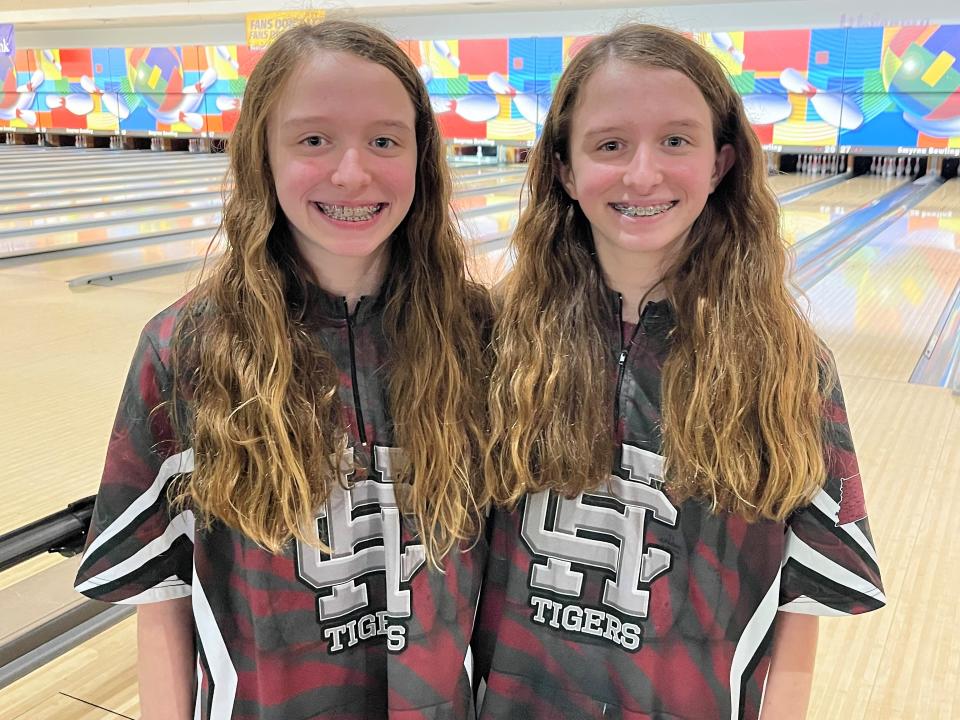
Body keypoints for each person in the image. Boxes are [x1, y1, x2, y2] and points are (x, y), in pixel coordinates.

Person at [74, 20, 491, 720]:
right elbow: (163, 602)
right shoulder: (187, 351)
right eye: (313, 139)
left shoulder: (480, 338)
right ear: (262, 155)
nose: (352, 172)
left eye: (385, 140)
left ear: (423, 156)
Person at [476, 24, 885, 720]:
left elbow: (799, 602)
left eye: (676, 140)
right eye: (610, 145)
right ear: (564, 171)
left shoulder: (786, 363)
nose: (643, 174)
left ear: (722, 161)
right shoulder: (494, 338)